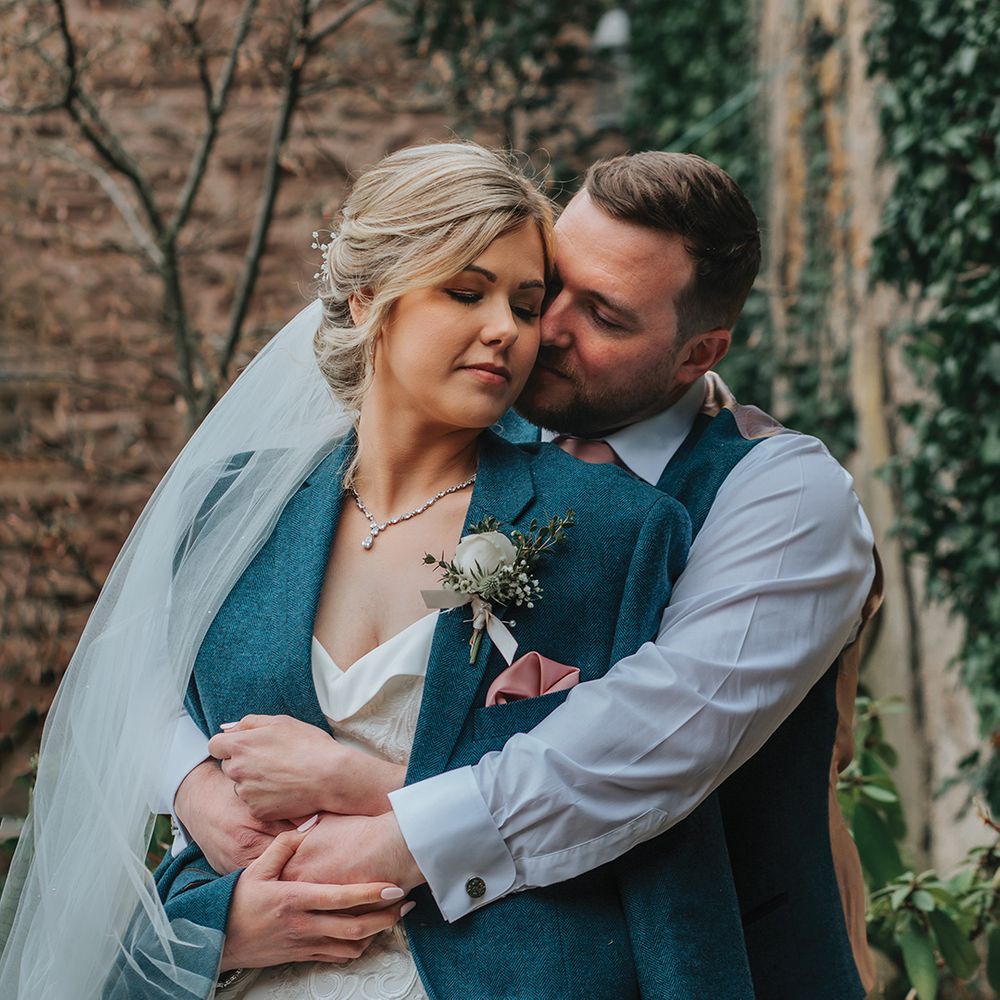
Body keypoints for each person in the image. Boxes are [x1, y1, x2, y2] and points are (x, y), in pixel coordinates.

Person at [0, 143, 757, 999]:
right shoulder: (232, 509)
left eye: (526, 302)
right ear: (370, 299)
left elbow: (653, 830)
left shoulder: (614, 531)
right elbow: (139, 729)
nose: (508, 329)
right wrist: (219, 928)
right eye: (466, 293)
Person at [172, 151, 881, 999]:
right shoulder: (446, 427)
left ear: (700, 353)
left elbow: (644, 745)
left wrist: (375, 801)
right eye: (550, 289)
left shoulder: (782, 493)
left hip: (711, 956)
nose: (536, 331)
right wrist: (193, 787)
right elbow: (148, 669)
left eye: (603, 316)